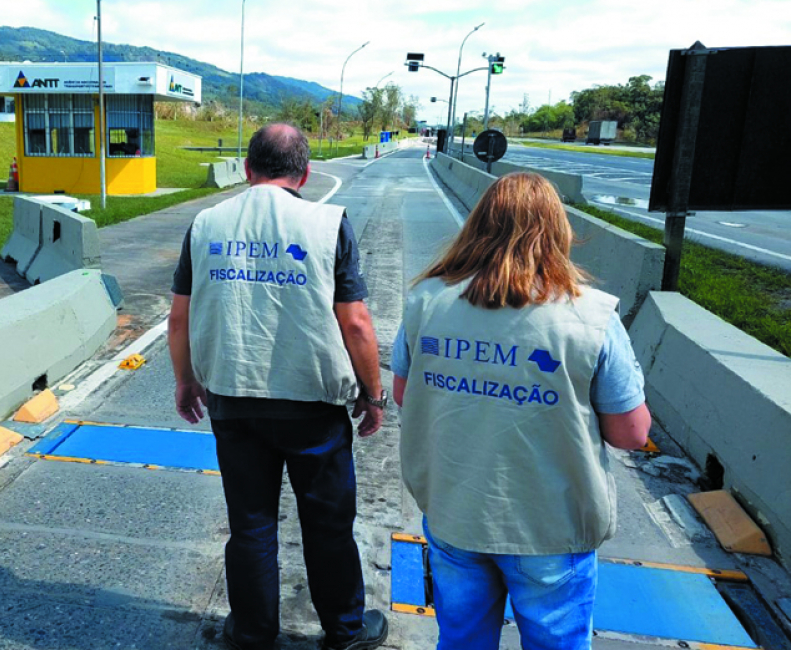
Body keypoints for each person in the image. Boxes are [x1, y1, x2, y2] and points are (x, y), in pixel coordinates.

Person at [392, 172, 651, 650]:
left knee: (462, 640)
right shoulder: (592, 317)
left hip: (456, 511)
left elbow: (405, 394)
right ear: (557, 233)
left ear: (477, 226)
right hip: (551, 528)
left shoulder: (425, 301)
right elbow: (632, 433)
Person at [168, 123, 389, 650]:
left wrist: (185, 380)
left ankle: (252, 633)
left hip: (232, 400)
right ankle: (345, 631)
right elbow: (355, 322)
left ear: (248, 170)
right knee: (328, 524)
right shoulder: (327, 223)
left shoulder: (206, 223)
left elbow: (179, 319)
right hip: (311, 406)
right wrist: (372, 392)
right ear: (306, 173)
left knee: (250, 525)